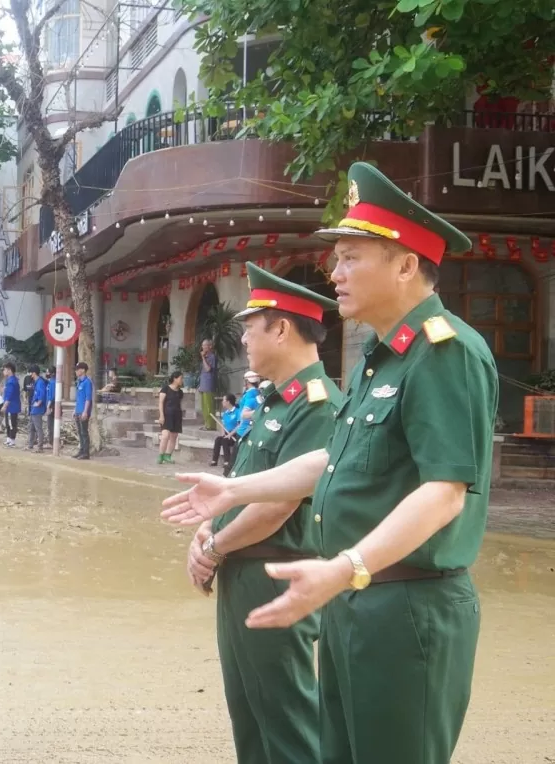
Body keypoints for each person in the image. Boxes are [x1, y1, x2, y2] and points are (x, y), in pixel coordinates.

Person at [163, 162, 495, 764]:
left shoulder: (445, 352)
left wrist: (345, 568)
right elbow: (334, 461)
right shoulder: (381, 355)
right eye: (335, 258)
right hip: (354, 598)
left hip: (406, 605)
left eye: (350, 258)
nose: (333, 274)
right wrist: (234, 490)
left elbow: (446, 491)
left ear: (404, 264)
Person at [185, 264, 342, 764]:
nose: (245, 341)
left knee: (287, 721)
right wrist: (208, 531)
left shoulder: (317, 406)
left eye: (251, 329)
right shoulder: (273, 403)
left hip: (277, 573)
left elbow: (277, 505)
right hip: (242, 570)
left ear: (281, 328)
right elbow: (238, 487)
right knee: (250, 716)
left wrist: (212, 548)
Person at [158, 370, 185, 464]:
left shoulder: (180, 392)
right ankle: (160, 456)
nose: (182, 380)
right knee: (165, 436)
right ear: (175, 378)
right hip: (166, 415)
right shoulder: (165, 389)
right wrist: (161, 415)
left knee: (174, 436)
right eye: (181, 378)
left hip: (177, 415)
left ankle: (168, 455)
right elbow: (161, 402)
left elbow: (179, 404)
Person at [210, 394, 241, 470]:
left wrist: (230, 434)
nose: (222, 402)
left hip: (235, 434)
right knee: (218, 439)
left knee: (225, 440)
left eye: (223, 400)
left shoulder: (237, 412)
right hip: (227, 434)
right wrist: (223, 434)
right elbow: (223, 426)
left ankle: (227, 461)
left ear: (228, 402)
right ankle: (214, 460)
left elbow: (239, 425)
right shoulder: (225, 413)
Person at [72, 361, 94, 460]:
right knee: (80, 433)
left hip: (84, 411)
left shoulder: (87, 382)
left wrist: (85, 411)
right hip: (78, 410)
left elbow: (88, 399)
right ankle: (81, 450)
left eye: (78, 369)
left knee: (84, 432)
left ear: (83, 370)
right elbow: (78, 398)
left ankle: (86, 453)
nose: (76, 371)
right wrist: (74, 410)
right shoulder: (79, 382)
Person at [27, 365, 47, 451]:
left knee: (38, 428)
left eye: (30, 372)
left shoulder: (40, 382)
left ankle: (40, 447)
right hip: (33, 409)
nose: (29, 374)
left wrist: (38, 403)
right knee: (31, 427)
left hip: (37, 409)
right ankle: (30, 445)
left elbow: (42, 394)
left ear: (34, 373)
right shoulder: (36, 382)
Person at [2, 362, 22, 447]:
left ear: (9, 370)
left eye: (5, 369)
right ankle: (8, 439)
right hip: (10, 406)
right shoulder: (10, 380)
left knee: (11, 423)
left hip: (12, 406)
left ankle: (12, 440)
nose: (3, 371)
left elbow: (9, 396)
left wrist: (4, 406)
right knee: (8, 423)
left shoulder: (11, 381)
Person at [199, 338, 218, 430]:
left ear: (210, 346)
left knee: (209, 406)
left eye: (205, 345)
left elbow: (208, 369)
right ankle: (206, 424)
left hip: (209, 385)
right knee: (204, 406)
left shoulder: (212, 357)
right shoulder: (206, 357)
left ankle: (211, 425)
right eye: (202, 345)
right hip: (203, 385)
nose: (203, 347)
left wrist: (203, 357)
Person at [45, 366, 56, 447]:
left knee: (50, 425)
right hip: (50, 404)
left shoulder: (53, 383)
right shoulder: (50, 382)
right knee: (50, 424)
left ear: (52, 373)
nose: (46, 373)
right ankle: (51, 441)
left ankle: (51, 442)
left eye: (48, 372)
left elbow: (52, 396)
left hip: (52, 405)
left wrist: (48, 407)